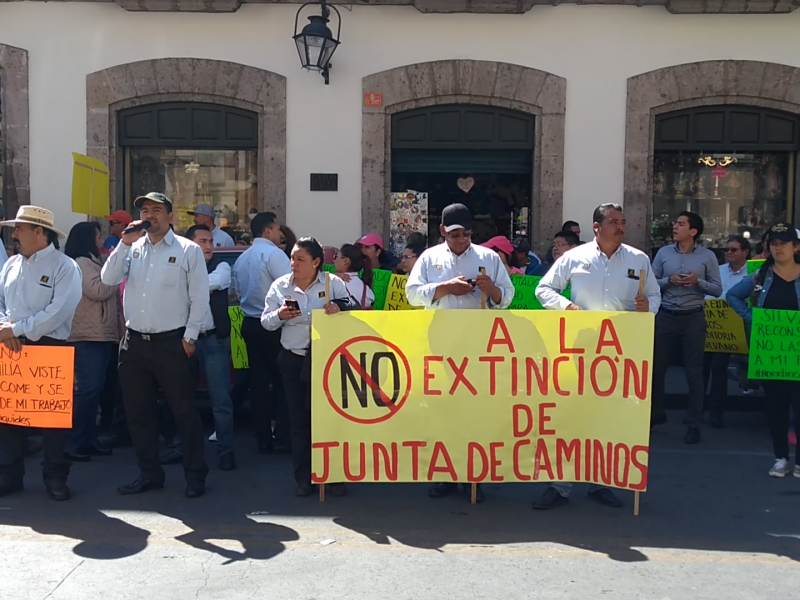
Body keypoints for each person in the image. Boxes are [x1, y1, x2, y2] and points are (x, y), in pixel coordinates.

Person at [533, 203, 660, 511]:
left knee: (608, 417)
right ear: (596, 227)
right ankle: (559, 485)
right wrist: (567, 308)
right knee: (570, 416)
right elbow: (544, 289)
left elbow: (655, 295)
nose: (621, 226)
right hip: (578, 349)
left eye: (623, 221)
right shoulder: (574, 257)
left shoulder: (638, 259)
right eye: (614, 221)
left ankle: (601, 481)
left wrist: (648, 308)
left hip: (619, 352)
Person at [101, 192, 210, 498]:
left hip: (171, 343)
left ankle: (195, 474)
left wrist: (190, 337)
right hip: (135, 342)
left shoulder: (188, 250)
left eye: (157, 210)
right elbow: (108, 279)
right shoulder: (132, 248)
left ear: (171, 216)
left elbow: (199, 296)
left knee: (184, 411)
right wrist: (123, 243)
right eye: (146, 210)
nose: (150, 215)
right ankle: (149, 473)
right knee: (138, 412)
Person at [406, 203, 514, 503]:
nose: (462, 239)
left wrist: (491, 289)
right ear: (442, 231)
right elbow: (412, 294)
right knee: (442, 411)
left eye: (467, 233)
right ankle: (445, 473)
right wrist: (444, 289)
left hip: (478, 346)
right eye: (455, 235)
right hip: (440, 345)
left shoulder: (488, 257)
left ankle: (473, 474)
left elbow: (507, 298)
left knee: (476, 412)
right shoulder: (429, 258)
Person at [0, 206, 82, 501]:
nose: (15, 234)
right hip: (12, 346)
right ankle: (9, 474)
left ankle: (55, 475)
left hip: (48, 346)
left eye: (20, 228)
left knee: (52, 420)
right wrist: (5, 326)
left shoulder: (65, 266)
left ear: (39, 232)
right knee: (8, 416)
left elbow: (58, 312)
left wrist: (15, 329)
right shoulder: (11, 265)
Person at [263, 237, 355, 496]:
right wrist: (280, 315)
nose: (294, 264)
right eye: (292, 258)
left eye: (300, 259)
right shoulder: (281, 286)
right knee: (298, 420)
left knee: (329, 419)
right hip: (293, 358)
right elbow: (266, 322)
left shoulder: (332, 283)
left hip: (326, 359)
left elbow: (353, 309)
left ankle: (333, 475)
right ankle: (304, 478)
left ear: (316, 262)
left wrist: (339, 308)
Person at [728, 223, 800, 478]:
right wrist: (751, 318)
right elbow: (733, 296)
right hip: (771, 353)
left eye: (783, 243)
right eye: (773, 243)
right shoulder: (760, 276)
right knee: (776, 406)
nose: (778, 248)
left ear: (796, 247)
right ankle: (781, 457)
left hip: (797, 351)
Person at [651, 211, 722, 444]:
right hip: (666, 315)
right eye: (675, 223)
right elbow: (650, 284)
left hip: (693, 318)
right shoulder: (662, 253)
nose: (675, 226)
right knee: (656, 369)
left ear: (693, 231)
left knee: (694, 373)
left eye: (681, 224)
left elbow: (717, 289)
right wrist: (668, 281)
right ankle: (655, 413)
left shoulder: (707, 256)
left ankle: (694, 423)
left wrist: (697, 282)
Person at [233, 211, 292, 454]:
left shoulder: (242, 258)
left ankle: (262, 438)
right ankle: (281, 436)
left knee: (258, 382)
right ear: (268, 231)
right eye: (278, 229)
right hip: (275, 323)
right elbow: (291, 290)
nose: (280, 234)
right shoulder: (274, 254)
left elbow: (236, 291)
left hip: (249, 322)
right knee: (282, 381)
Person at [63, 221, 121, 462]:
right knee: (87, 391)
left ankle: (87, 438)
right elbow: (97, 291)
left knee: (94, 390)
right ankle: (74, 441)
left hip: (100, 333)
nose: (101, 241)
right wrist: (115, 275)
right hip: (87, 336)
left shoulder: (92, 262)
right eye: (98, 236)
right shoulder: (81, 263)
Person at [185, 225, 236, 471]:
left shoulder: (221, 266)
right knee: (182, 398)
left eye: (210, 241)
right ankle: (181, 448)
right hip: (185, 339)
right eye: (202, 241)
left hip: (213, 340)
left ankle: (226, 451)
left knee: (221, 399)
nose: (208, 246)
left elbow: (215, 283)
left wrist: (187, 285)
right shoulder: (179, 266)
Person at [703, 235, 750, 429]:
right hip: (712, 325)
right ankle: (696, 410)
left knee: (718, 367)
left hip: (736, 328)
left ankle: (716, 411)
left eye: (734, 250)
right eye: (727, 250)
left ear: (745, 252)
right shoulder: (719, 271)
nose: (729, 253)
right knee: (702, 369)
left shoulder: (752, 274)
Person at [333, 243, 375, 308]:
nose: (334, 260)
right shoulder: (366, 288)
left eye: (336, 256)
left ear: (346, 261)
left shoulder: (336, 284)